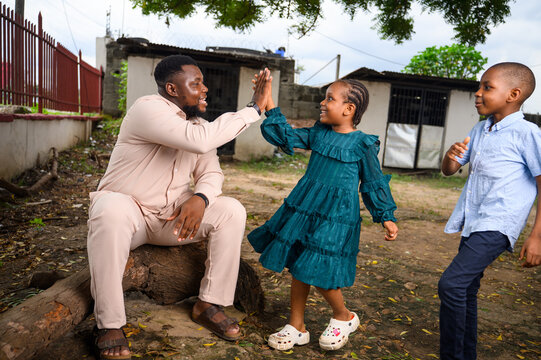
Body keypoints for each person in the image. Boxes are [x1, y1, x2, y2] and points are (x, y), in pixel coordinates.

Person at [87, 55, 270, 359]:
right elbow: (198, 141)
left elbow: (211, 173)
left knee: (231, 210)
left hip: (170, 219)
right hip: (128, 217)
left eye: (203, 83)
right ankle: (109, 324)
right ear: (172, 89)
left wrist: (201, 198)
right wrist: (253, 109)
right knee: (110, 208)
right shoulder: (148, 108)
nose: (205, 89)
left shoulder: (198, 124)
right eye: (196, 83)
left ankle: (208, 304)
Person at [247, 77, 398, 351]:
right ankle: (297, 325)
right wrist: (268, 99)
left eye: (330, 98)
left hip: (337, 216)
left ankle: (344, 315)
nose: (322, 102)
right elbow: (285, 135)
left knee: (316, 265)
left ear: (349, 109)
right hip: (306, 207)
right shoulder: (318, 134)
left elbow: (373, 182)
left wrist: (385, 214)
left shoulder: (362, 144)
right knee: (299, 262)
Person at [438, 62, 541, 360]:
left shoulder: (527, 133)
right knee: (465, 290)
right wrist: (449, 157)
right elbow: (450, 170)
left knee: (451, 284)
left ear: (513, 94)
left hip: (498, 224)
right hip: (474, 221)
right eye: (479, 86)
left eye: (487, 87)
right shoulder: (480, 129)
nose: (478, 93)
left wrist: (537, 236)